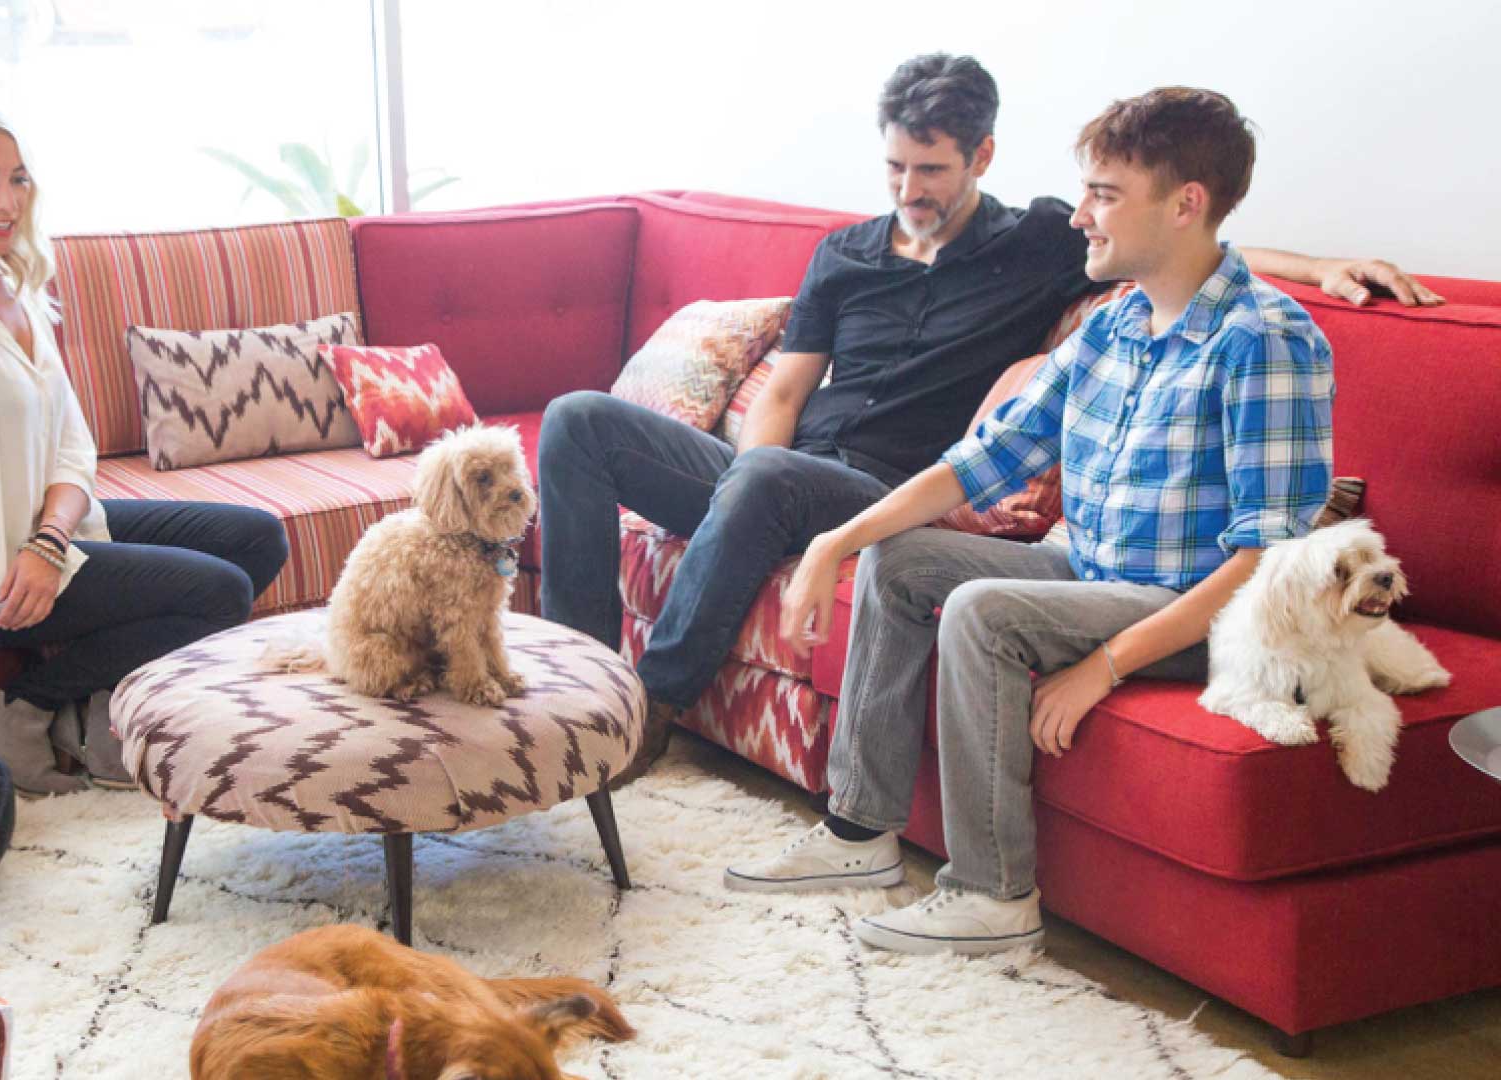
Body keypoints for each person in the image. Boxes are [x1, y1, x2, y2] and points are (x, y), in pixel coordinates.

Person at [537, 54, 1440, 785]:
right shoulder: (844, 254)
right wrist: (746, 499)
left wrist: (1321, 267)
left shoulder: (1041, 242)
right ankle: (581, 688)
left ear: (983, 156)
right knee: (581, 420)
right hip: (775, 479)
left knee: (772, 481)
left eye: (931, 168)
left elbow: (1185, 245)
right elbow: (782, 397)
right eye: (895, 166)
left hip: (881, 488)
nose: (909, 187)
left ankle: (648, 708)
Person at [728, 87, 1334, 955]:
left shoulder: (1264, 340)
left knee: (985, 611)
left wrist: (1105, 666)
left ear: (1185, 204)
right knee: (902, 560)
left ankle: (993, 897)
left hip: (1213, 614)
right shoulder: (1114, 326)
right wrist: (837, 541)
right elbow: (978, 463)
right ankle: (859, 831)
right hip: (1098, 579)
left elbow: (1266, 564)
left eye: (1105, 195)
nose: (1081, 215)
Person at [0, 91, 289, 794]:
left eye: (17, 178)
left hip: (43, 538)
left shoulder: (12, 282)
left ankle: (97, 710)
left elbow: (74, 447)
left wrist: (48, 541)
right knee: (219, 592)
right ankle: (20, 706)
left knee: (258, 538)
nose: (6, 200)